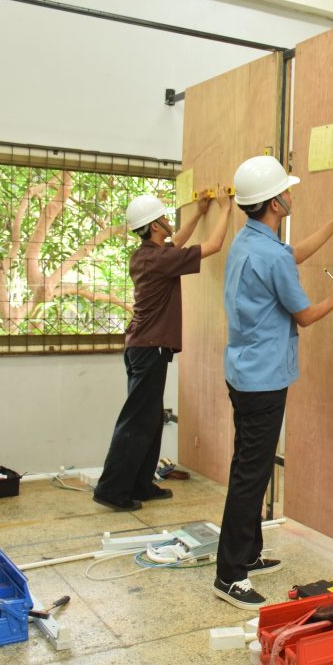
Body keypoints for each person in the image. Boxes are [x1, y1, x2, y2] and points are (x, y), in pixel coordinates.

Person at [213, 156, 333, 610]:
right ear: (275, 203)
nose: (291, 195)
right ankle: (230, 575)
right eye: (286, 191)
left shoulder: (248, 241)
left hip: (244, 373)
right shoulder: (269, 253)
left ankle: (248, 554)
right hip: (263, 381)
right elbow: (305, 315)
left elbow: (290, 256)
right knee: (250, 475)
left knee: (248, 467)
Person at [93, 186, 232, 511]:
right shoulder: (159, 259)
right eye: (164, 218)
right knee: (137, 420)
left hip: (143, 347)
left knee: (150, 418)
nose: (169, 221)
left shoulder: (147, 255)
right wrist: (226, 209)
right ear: (155, 226)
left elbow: (176, 244)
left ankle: (141, 484)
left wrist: (198, 212)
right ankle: (111, 489)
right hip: (149, 348)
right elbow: (213, 245)